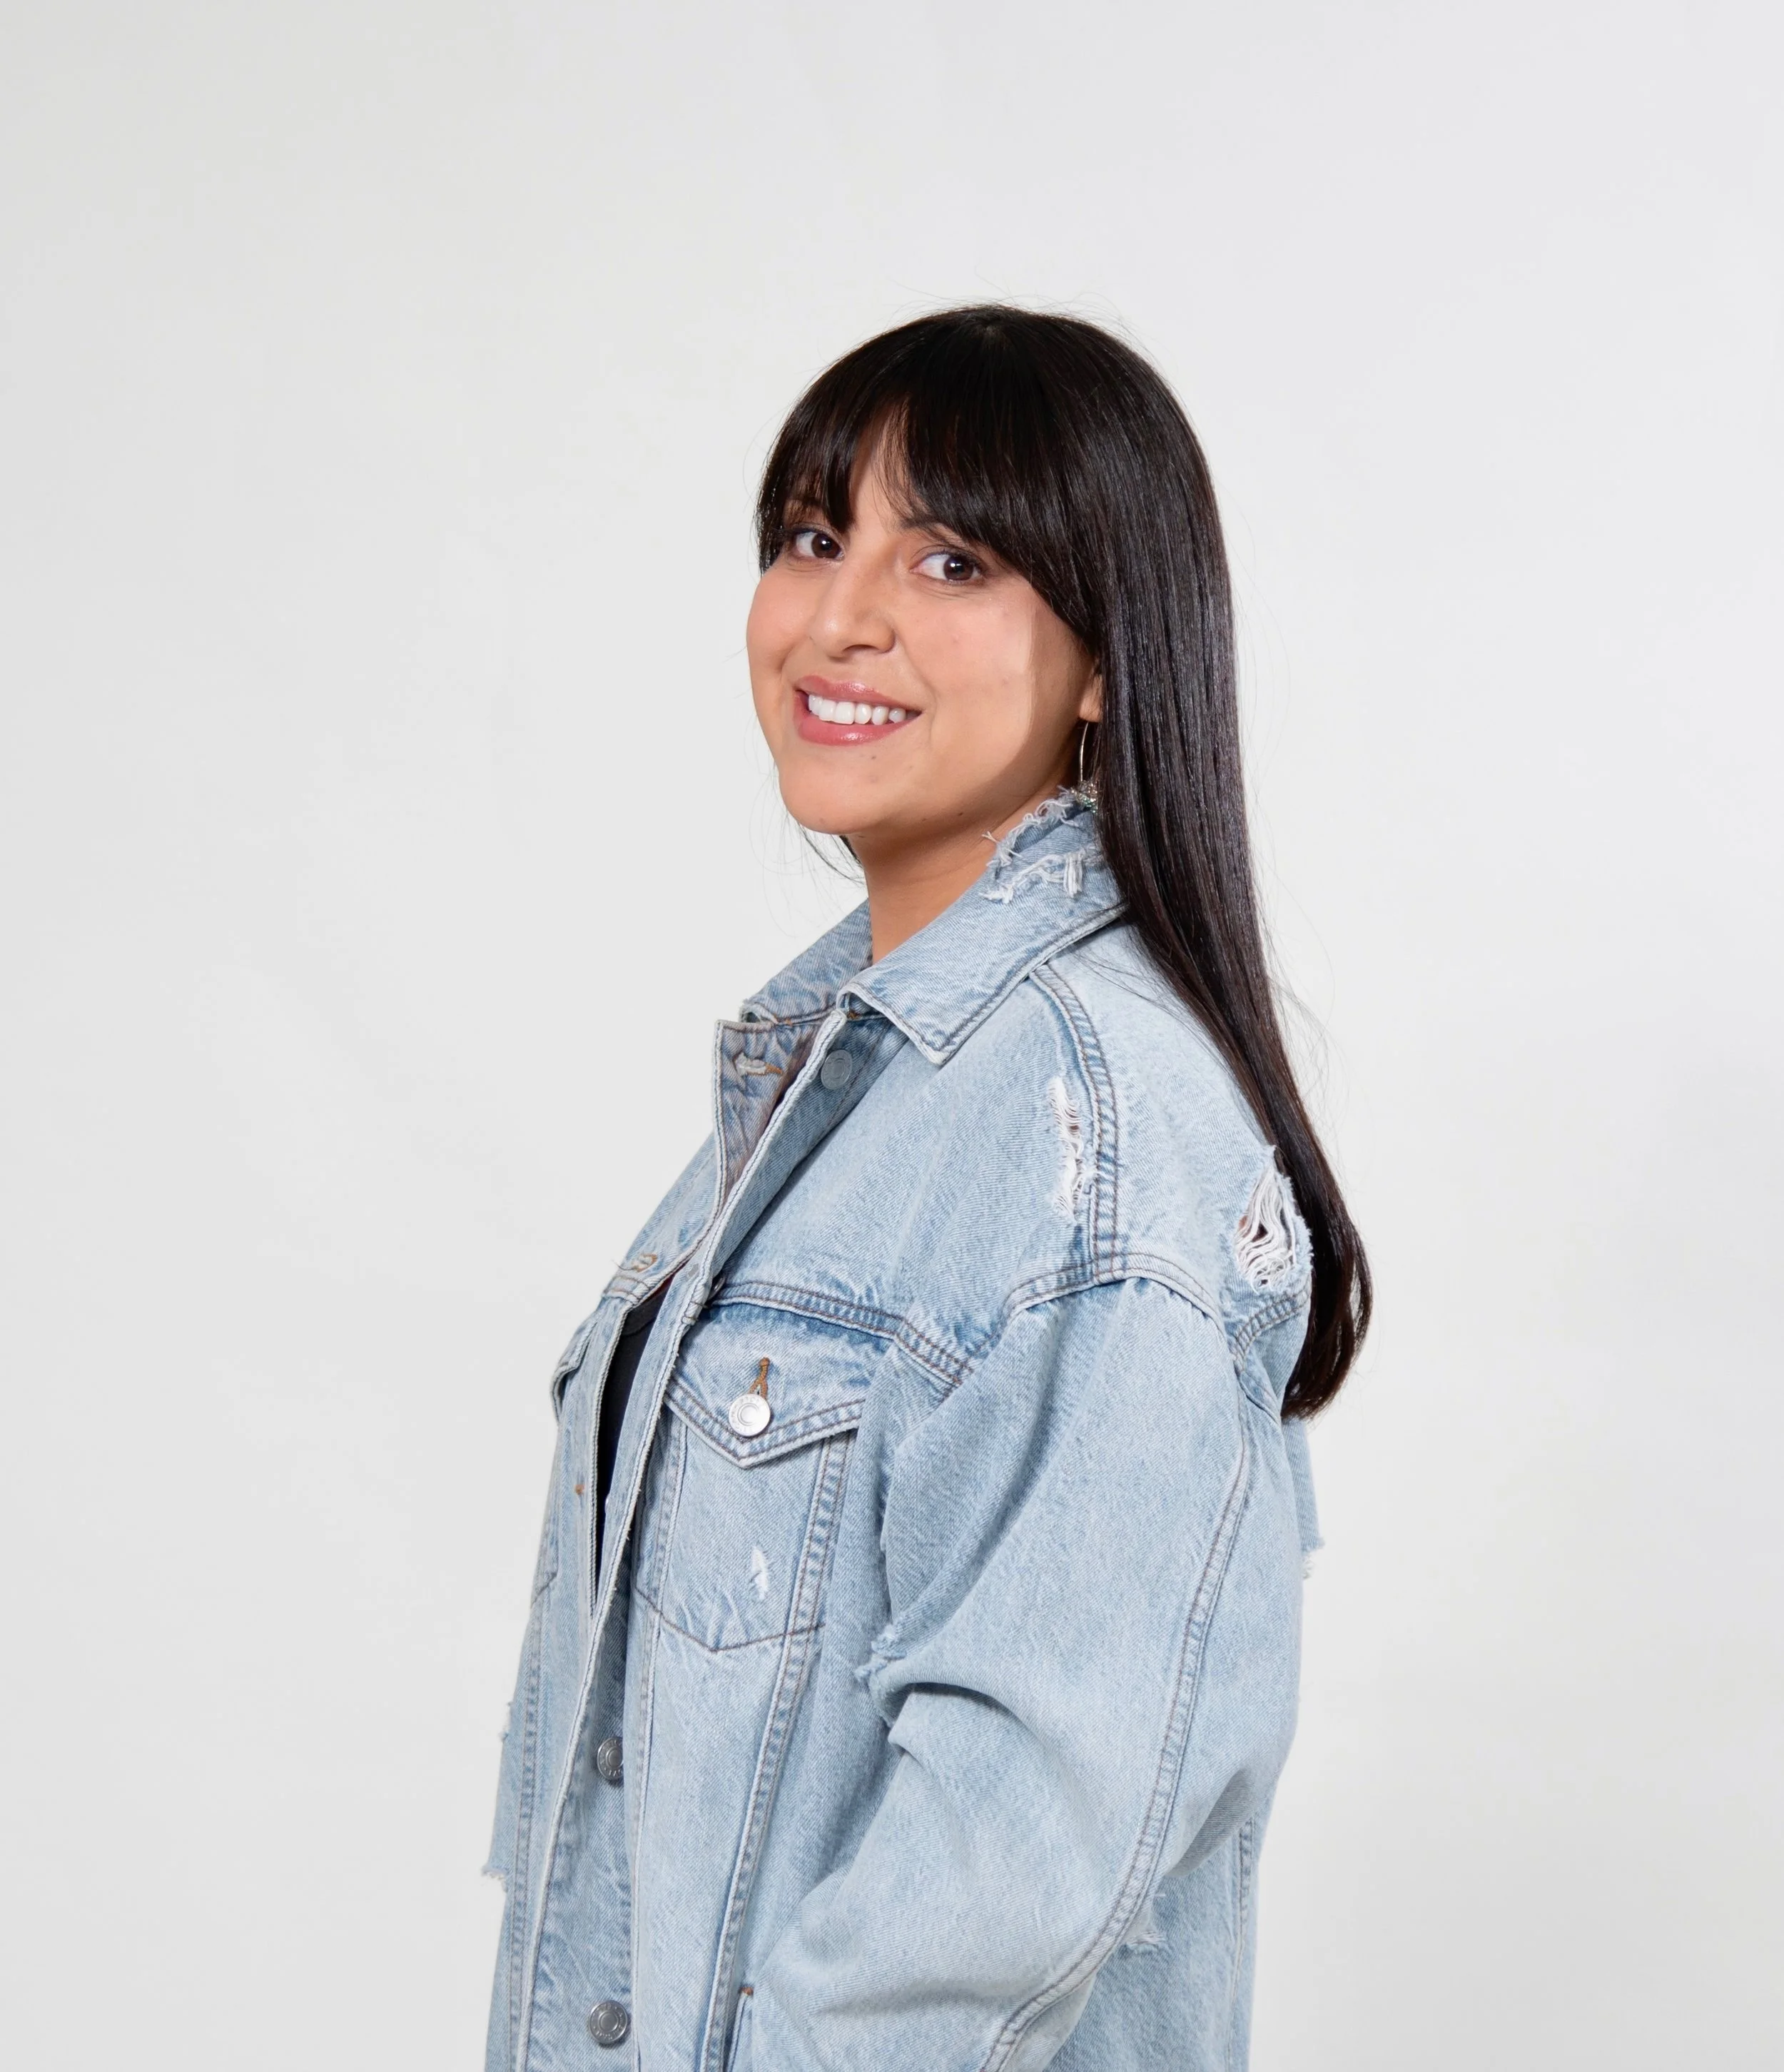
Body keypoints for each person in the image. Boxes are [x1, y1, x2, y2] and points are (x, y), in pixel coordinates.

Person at [482, 305, 1371, 2072]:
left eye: (950, 555)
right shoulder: (843, 1087)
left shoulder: (1089, 1119)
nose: (840, 616)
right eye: (813, 535)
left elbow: (1012, 1855)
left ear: (1111, 653)